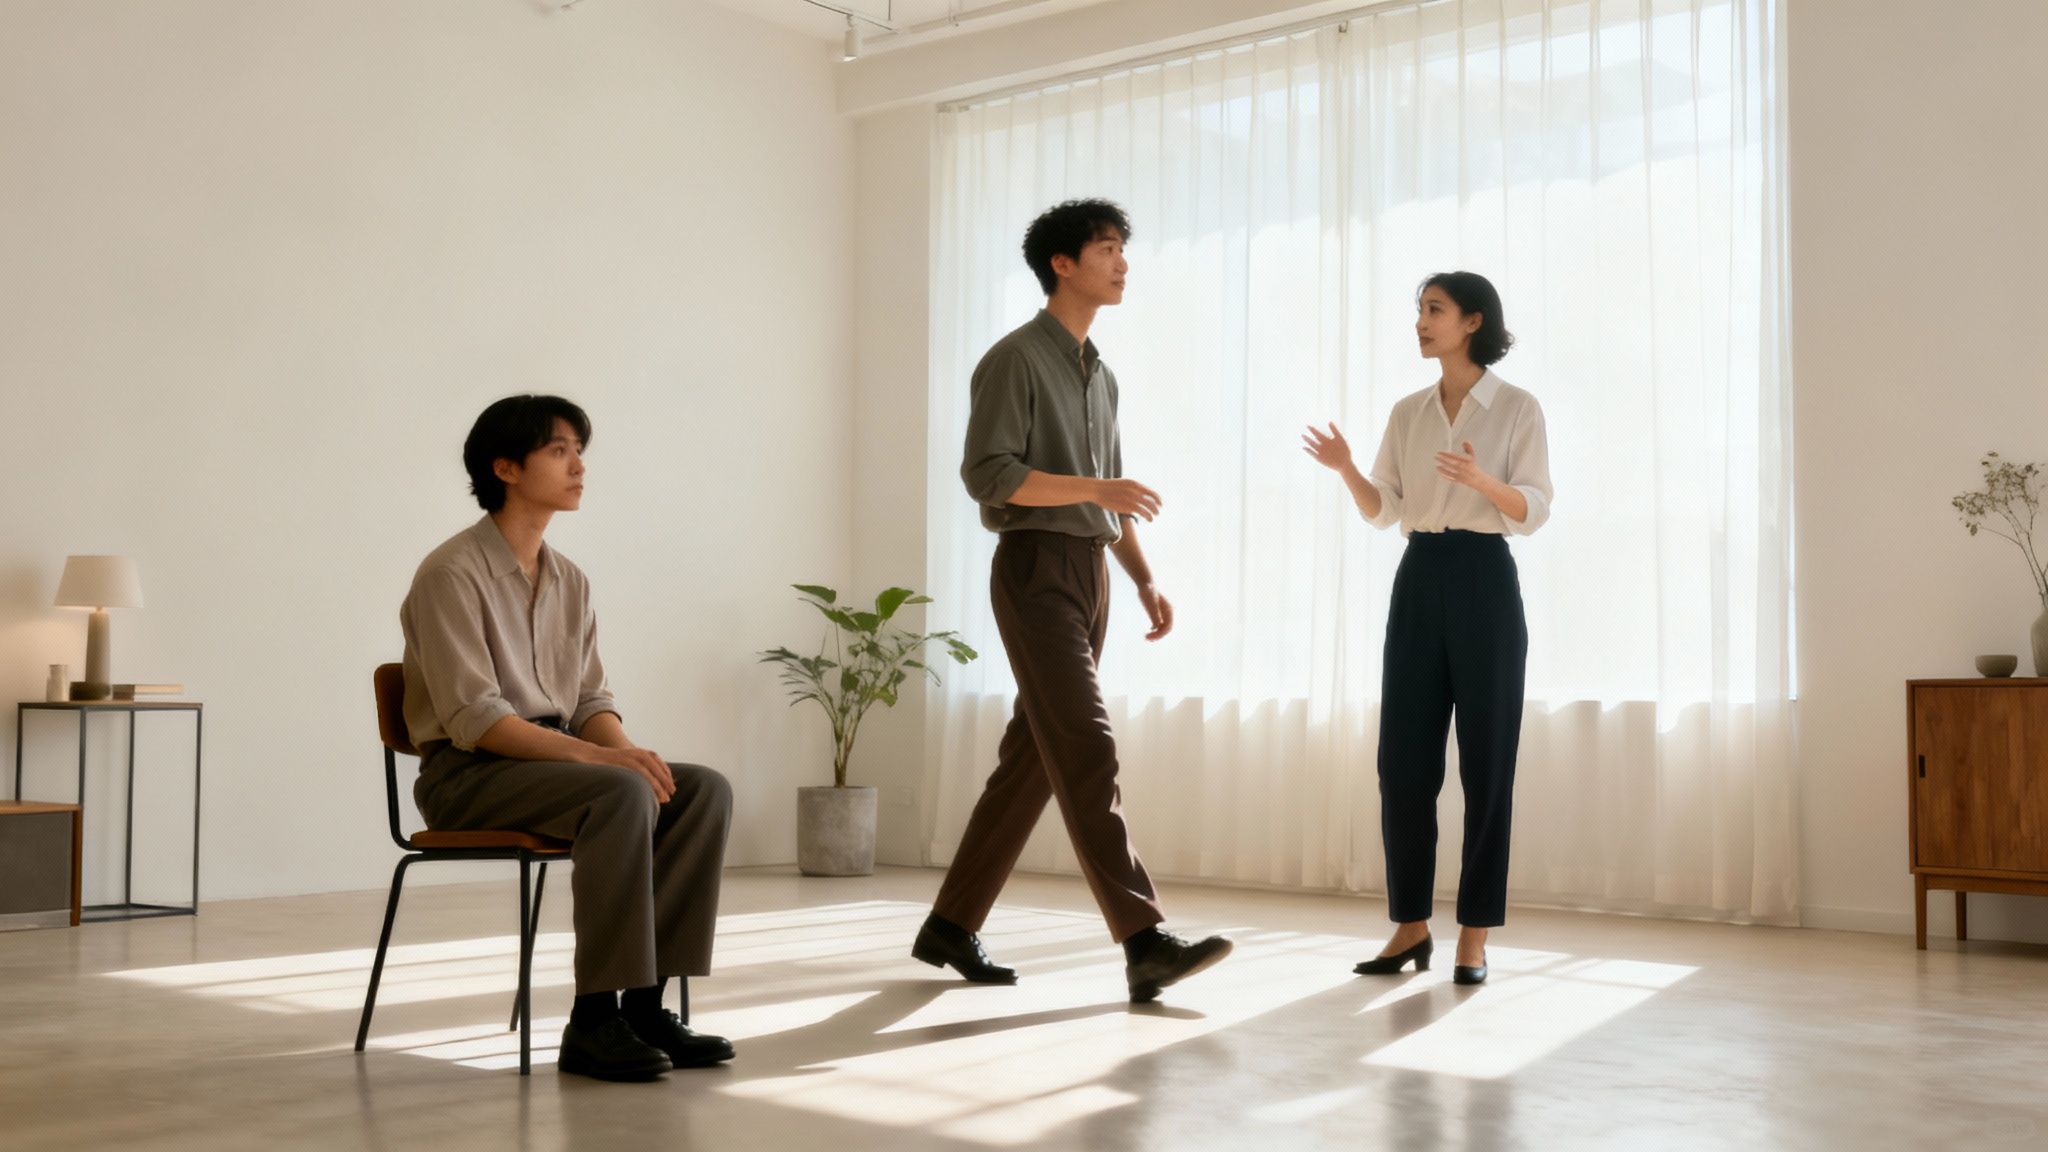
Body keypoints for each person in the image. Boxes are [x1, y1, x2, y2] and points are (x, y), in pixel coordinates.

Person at [914, 198, 1234, 1004]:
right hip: (1034, 569)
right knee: (1087, 745)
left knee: (1034, 760)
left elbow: (1109, 495)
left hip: (1092, 575)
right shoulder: (1014, 359)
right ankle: (1144, 941)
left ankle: (950, 924)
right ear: (1062, 263)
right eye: (1107, 248)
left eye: (1123, 249)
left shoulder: (1102, 375)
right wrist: (1095, 491)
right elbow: (989, 475)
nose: (1122, 263)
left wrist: (1143, 576)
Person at [400, 394, 735, 1080]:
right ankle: (593, 1019)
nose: (579, 466)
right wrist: (605, 762)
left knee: (700, 790)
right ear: (506, 467)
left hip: (555, 767)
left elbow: (587, 701)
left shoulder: (570, 582)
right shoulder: (449, 575)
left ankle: (646, 1007)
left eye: (579, 451)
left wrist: (626, 753)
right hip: (467, 775)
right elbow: (477, 719)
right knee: (620, 791)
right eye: (559, 451)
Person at [1302, 271, 1553, 986]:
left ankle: (1474, 935)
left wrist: (1483, 484)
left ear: (1473, 321)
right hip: (1419, 577)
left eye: (1434, 309)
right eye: (1419, 309)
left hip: (1485, 580)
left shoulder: (1517, 407)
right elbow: (1385, 509)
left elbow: (1534, 509)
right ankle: (1410, 927)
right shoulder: (1408, 411)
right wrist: (1348, 469)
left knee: (1487, 762)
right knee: (1403, 762)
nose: (1421, 320)